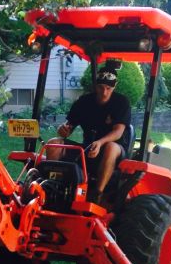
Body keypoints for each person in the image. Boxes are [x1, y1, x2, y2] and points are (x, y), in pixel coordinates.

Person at [47, 65, 132, 204]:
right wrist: (64, 129)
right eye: (101, 87)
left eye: (108, 88)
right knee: (53, 143)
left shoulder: (121, 102)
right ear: (95, 85)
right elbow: (70, 125)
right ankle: (53, 187)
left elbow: (118, 131)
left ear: (115, 86)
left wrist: (100, 143)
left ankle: (97, 194)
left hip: (113, 150)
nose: (104, 92)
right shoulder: (84, 102)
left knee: (111, 147)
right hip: (87, 148)